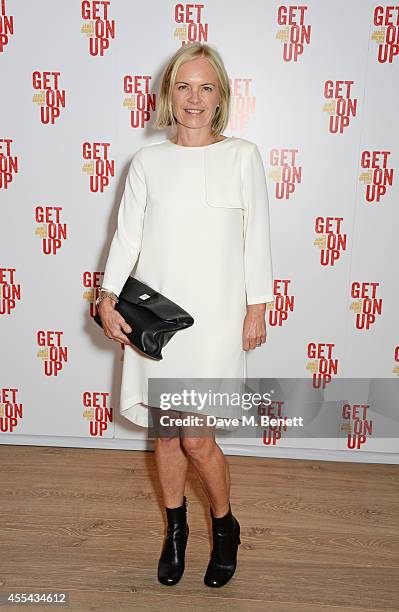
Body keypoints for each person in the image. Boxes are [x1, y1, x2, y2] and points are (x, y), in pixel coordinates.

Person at [96, 42, 274, 588]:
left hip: (217, 318)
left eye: (206, 87)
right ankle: (176, 532)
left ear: (220, 97)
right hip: (161, 319)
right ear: (167, 95)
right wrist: (106, 296)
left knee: (196, 438)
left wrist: (258, 306)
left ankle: (225, 527)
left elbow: (257, 238)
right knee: (167, 436)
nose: (194, 98)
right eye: (183, 86)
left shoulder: (243, 155)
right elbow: (127, 236)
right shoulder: (147, 161)